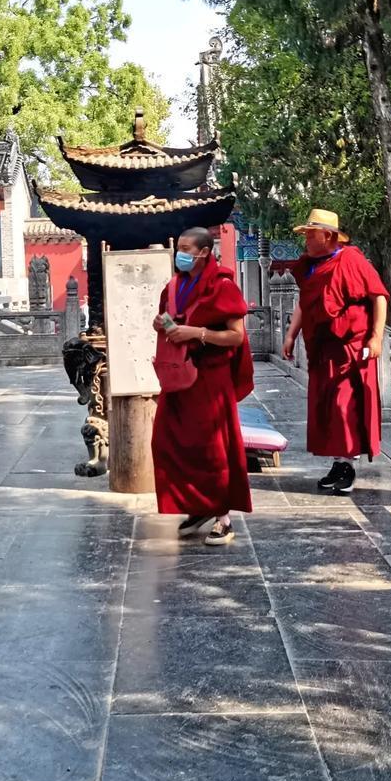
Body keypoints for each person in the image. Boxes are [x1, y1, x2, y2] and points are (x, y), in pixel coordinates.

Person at [152, 227, 255, 545]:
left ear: (204, 252)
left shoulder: (222, 285)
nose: (179, 254)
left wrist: (197, 334)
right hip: (180, 377)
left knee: (212, 448)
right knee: (168, 442)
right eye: (178, 247)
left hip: (211, 377)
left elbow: (236, 336)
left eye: (186, 248)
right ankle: (198, 505)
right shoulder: (174, 285)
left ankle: (223, 517)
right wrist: (164, 324)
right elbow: (171, 321)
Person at [282, 209, 388, 494]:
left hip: (351, 347)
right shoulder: (310, 266)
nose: (305, 238)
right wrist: (291, 335)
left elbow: (378, 296)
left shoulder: (351, 259)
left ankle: (348, 466)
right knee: (326, 407)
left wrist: (376, 338)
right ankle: (338, 463)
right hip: (322, 348)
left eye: (310, 233)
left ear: (327, 235)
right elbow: (305, 304)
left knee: (346, 406)